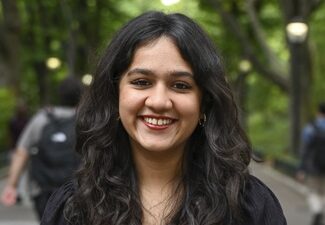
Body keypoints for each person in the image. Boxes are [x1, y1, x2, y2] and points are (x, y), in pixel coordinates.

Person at [41, 11, 286, 225]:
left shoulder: (250, 207)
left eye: (180, 86)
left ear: (204, 103)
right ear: (114, 96)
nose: (158, 102)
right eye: (141, 82)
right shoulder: (72, 207)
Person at [1, 77, 82, 220]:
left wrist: (11, 185)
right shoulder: (85, 120)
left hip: (44, 191)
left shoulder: (42, 119)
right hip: (77, 190)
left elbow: (21, 152)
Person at [297, 102, 325, 225]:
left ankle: (317, 210)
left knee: (313, 191)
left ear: (318, 112)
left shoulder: (311, 128)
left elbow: (304, 150)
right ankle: (320, 209)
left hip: (313, 166)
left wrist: (301, 169)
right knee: (323, 192)